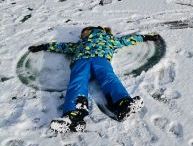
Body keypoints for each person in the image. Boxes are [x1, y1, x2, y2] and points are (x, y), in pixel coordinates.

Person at [29, 26, 161, 133]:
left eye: (84, 32)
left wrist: (145, 37)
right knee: (77, 82)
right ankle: (73, 116)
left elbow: (127, 39)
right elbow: (61, 46)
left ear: (92, 30)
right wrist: (43, 47)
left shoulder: (110, 39)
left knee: (108, 78)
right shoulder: (79, 45)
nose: (82, 35)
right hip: (82, 61)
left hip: (99, 60)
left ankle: (123, 103)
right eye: (82, 34)